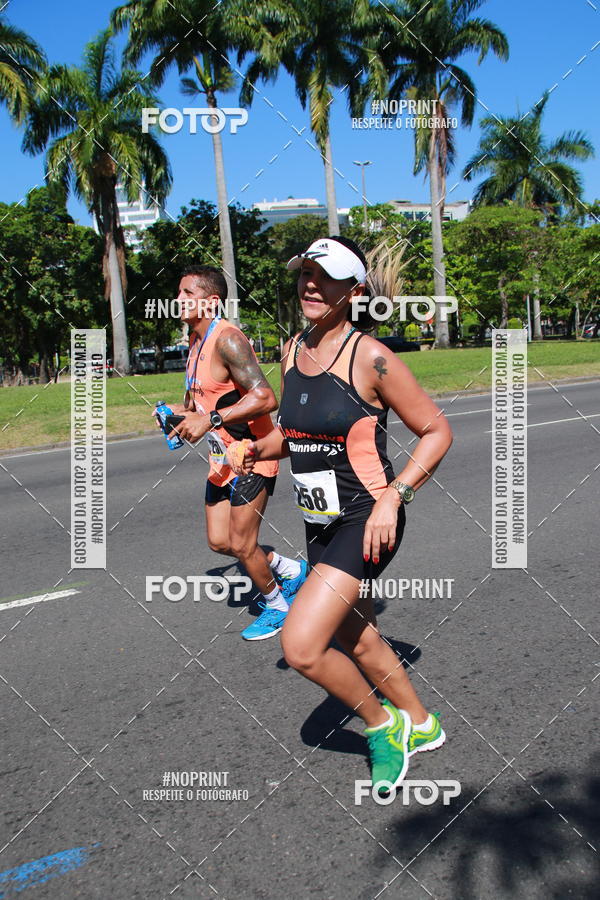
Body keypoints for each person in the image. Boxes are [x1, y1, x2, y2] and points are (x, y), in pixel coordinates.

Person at [227, 237, 453, 792]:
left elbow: (437, 431)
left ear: (352, 291)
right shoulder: (291, 350)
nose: (309, 284)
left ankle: (382, 726)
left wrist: (394, 496)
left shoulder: (372, 357)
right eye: (304, 273)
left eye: (323, 277)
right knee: (355, 634)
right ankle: (423, 724)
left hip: (367, 517)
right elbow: (299, 436)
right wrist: (256, 448)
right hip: (319, 519)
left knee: (302, 646)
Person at [161, 264, 308, 640]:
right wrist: (176, 416)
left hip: (253, 456)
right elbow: (202, 402)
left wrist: (208, 419)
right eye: (178, 293)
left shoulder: (227, 339)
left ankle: (278, 608)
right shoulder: (195, 341)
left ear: (210, 302)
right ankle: (288, 568)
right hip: (221, 460)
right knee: (220, 541)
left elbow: (265, 398)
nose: (178, 300)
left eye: (186, 294)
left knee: (243, 544)